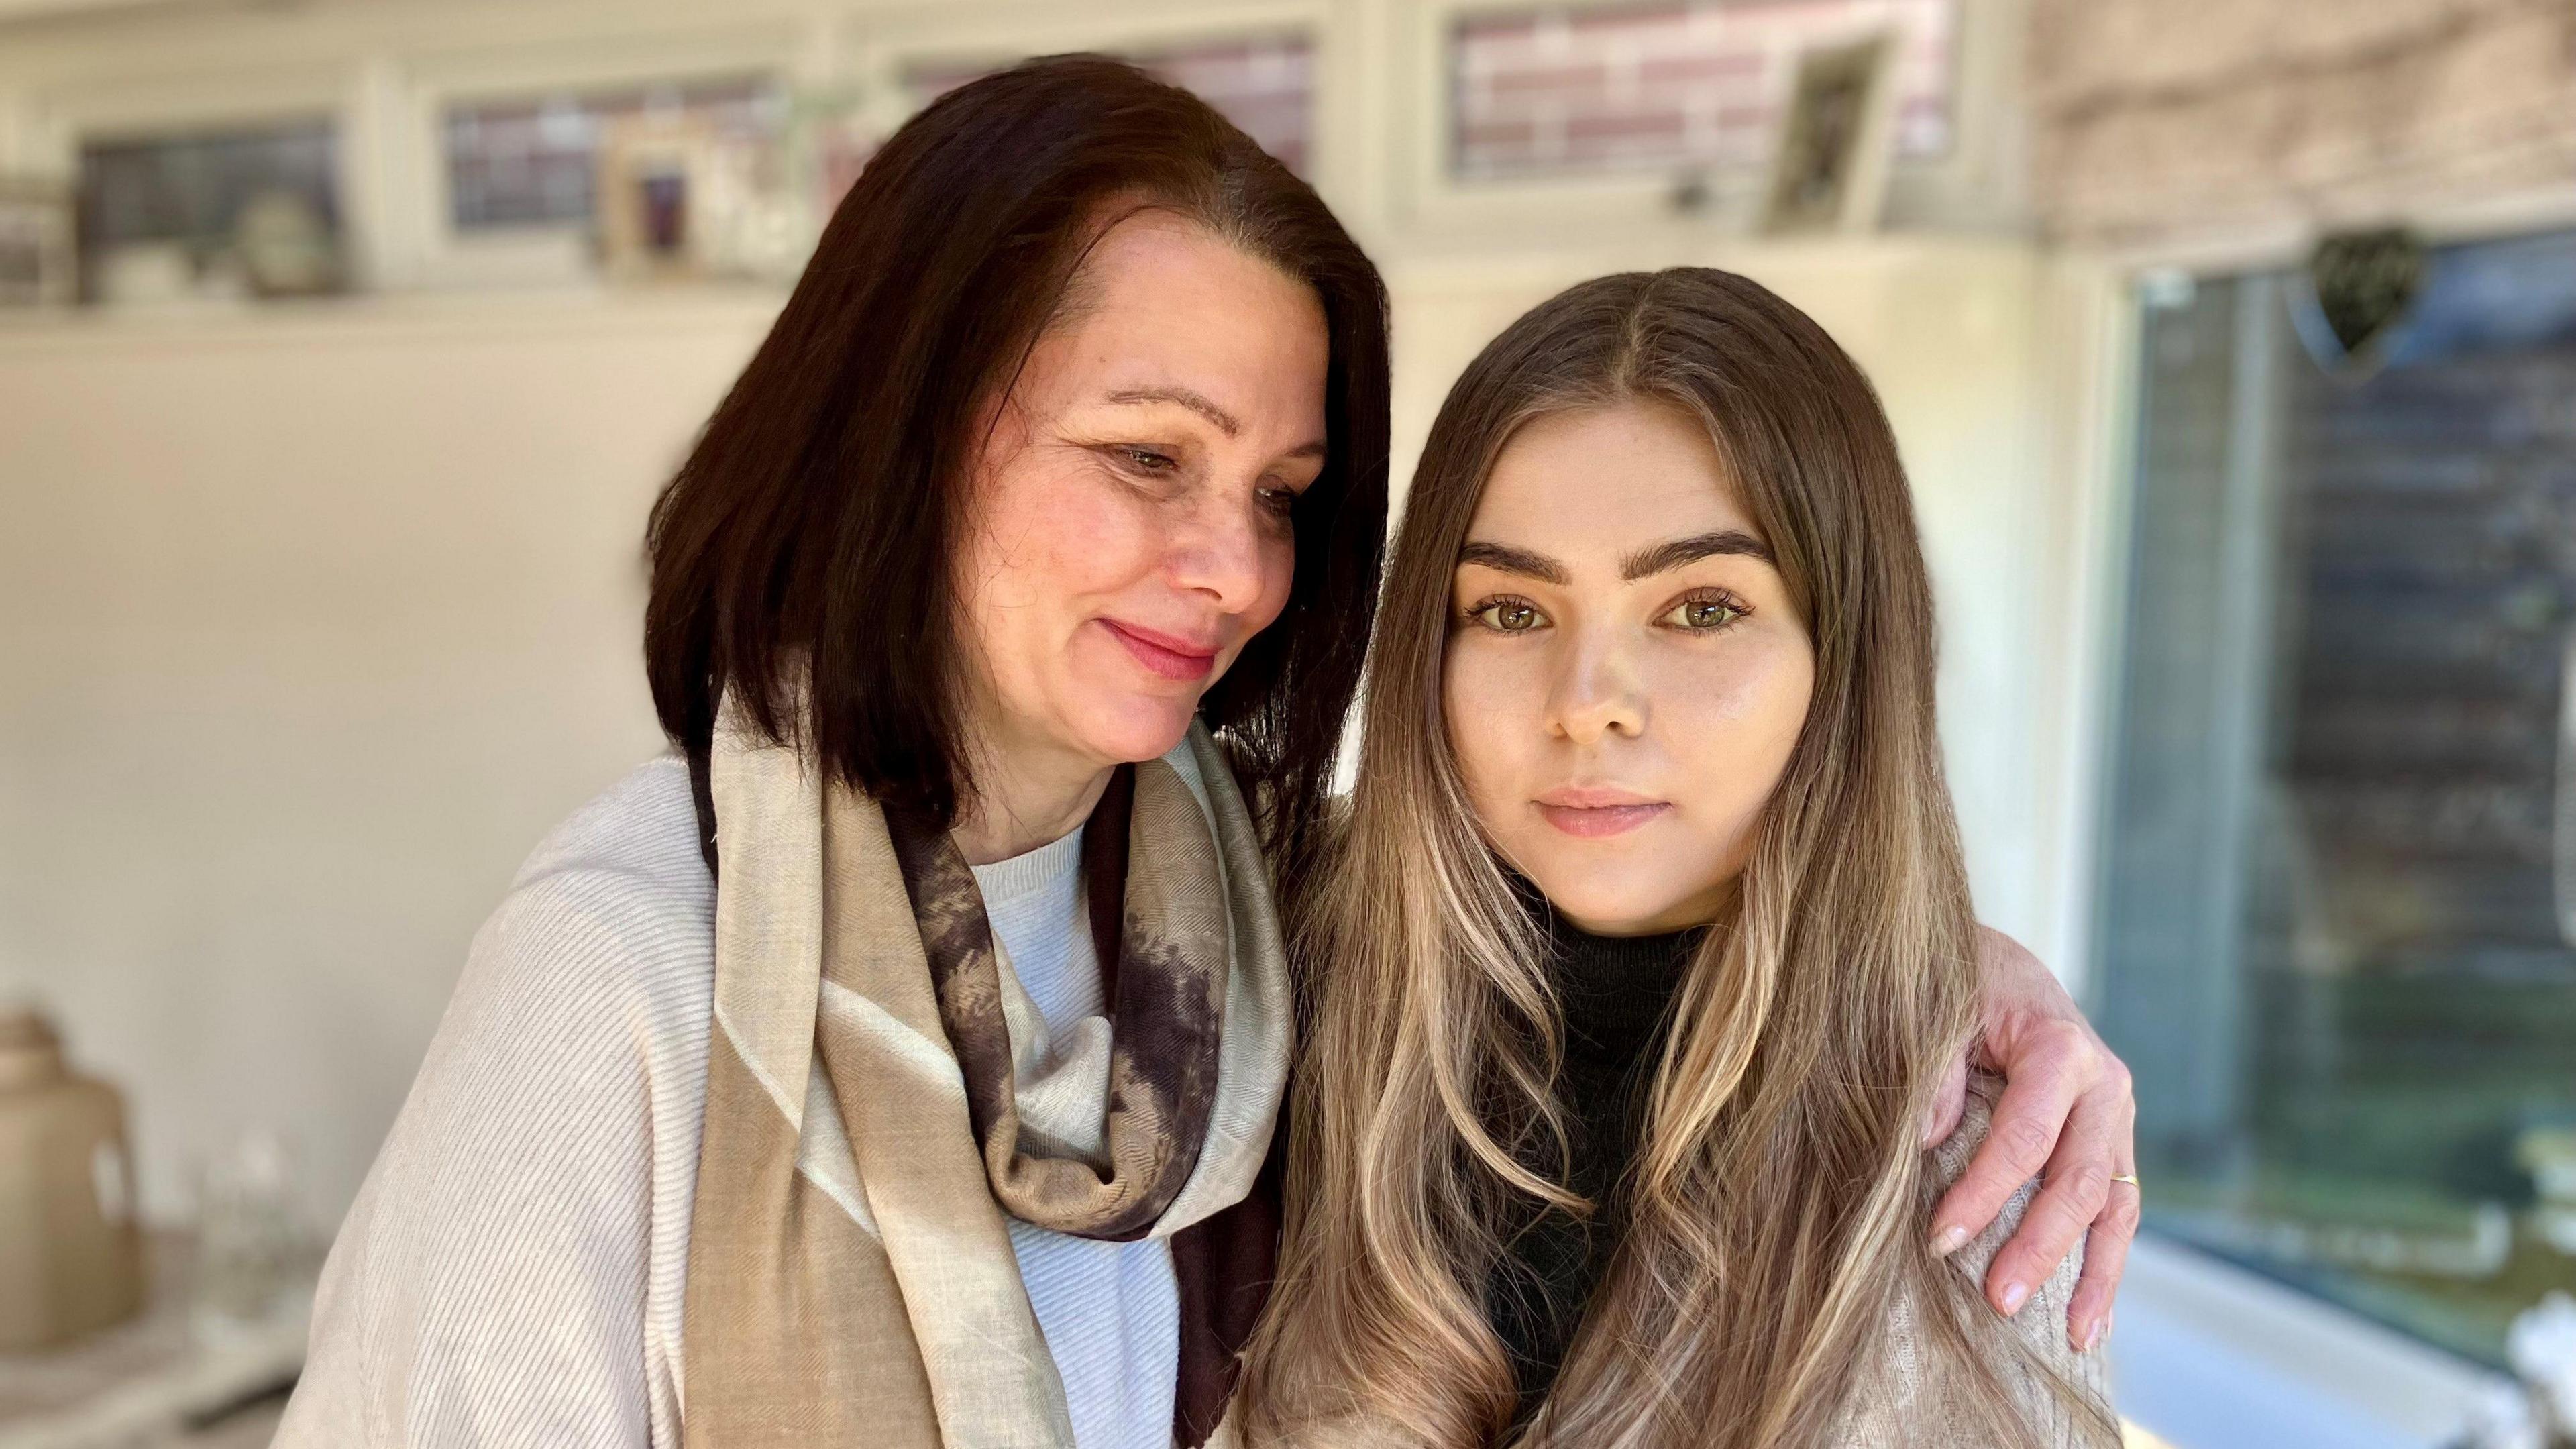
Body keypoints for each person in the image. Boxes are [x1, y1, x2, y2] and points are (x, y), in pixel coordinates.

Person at [276, 59, 2132, 1449]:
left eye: (1285, 496)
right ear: (906, 429)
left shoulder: (1259, 918)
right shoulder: (626, 967)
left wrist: (1952, 981)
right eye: (1147, 459)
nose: (1238, 569)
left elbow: (1643, 918)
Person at [1241, 269, 2128, 1448]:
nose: (1588, 704)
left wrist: (1928, 962)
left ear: (1845, 658)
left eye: (1700, 607)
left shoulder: (1974, 1167)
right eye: (1510, 610)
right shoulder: (1263, 971)